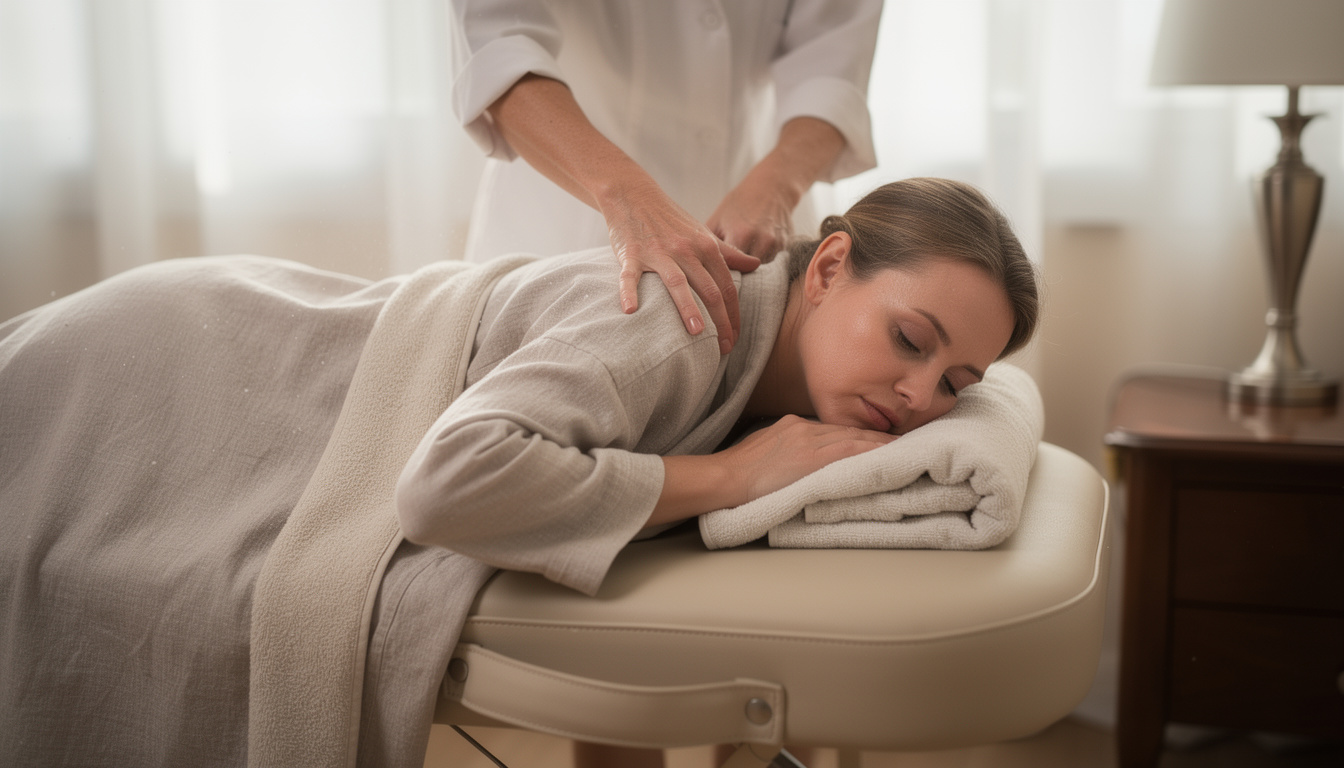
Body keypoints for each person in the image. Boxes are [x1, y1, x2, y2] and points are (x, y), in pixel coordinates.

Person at [0, 178, 1037, 768]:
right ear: (827, 268)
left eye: (958, 383)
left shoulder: (781, 379)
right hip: (191, 366)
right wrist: (725, 478)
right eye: (910, 340)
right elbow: (448, 482)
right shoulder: (680, 323)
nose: (920, 397)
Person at [449, 0, 883, 357]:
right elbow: (500, 50)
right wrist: (625, 196)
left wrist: (778, 186)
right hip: (562, 217)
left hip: (762, 217)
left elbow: (832, 65)